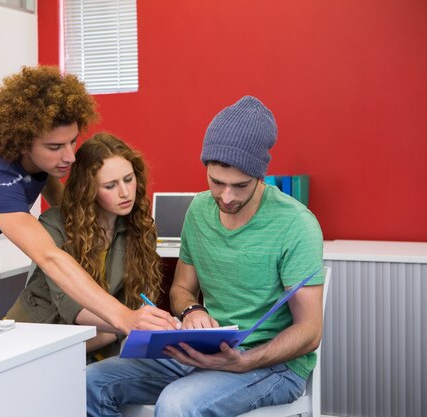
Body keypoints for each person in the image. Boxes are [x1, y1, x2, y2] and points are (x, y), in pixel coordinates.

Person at [86, 96, 325, 417]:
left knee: (177, 402)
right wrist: (192, 310)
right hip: (201, 352)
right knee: (91, 381)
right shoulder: (199, 209)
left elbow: (309, 331)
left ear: (260, 176)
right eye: (216, 182)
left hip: (271, 364)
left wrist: (245, 361)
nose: (226, 197)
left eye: (240, 186)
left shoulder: (296, 223)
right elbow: (181, 289)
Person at [0, 65, 178, 335]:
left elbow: (59, 198)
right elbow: (49, 257)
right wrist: (124, 317)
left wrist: (88, 219)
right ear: (22, 143)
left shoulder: (37, 153)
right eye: (55, 147)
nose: (69, 156)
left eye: (72, 141)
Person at [5, 132, 163, 359]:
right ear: (88, 190)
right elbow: (74, 308)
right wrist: (129, 322)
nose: (125, 192)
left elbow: (139, 302)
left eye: (128, 179)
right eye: (110, 185)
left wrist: (137, 321)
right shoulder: (54, 224)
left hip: (94, 343)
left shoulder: (141, 228)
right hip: (30, 340)